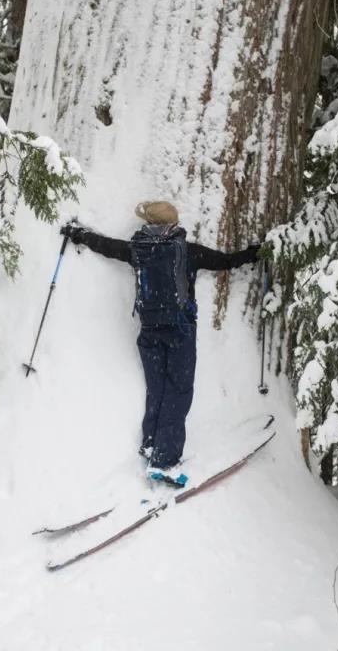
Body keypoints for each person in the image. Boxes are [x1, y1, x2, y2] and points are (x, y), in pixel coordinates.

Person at [61, 201, 261, 486]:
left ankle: (151, 444)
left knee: (157, 389)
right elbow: (225, 261)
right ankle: (165, 463)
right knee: (178, 392)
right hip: (179, 331)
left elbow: (106, 246)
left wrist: (79, 235)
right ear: (173, 225)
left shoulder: (137, 249)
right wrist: (255, 253)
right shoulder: (187, 251)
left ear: (148, 224)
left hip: (149, 330)